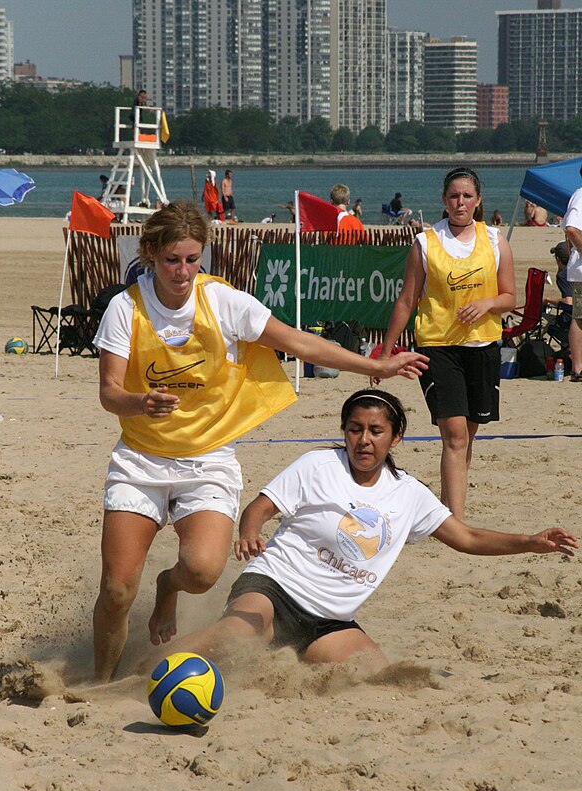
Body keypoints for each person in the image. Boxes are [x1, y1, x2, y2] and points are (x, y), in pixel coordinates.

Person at [91, 201, 429, 682]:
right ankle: (101, 683)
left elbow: (299, 343)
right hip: (141, 460)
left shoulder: (225, 302)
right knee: (118, 589)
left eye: (192, 259)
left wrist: (376, 365)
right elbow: (109, 393)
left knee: (203, 571)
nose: (183, 271)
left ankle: (168, 587)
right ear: (150, 254)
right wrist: (140, 403)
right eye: (172, 260)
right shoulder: (125, 308)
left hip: (207, 458)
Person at [170, 390, 576, 673]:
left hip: (330, 621)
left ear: (395, 437)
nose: (363, 440)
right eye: (354, 429)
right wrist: (250, 531)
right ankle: (153, 669)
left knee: (381, 678)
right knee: (238, 634)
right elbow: (259, 508)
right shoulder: (318, 465)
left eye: (375, 431)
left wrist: (530, 542)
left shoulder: (409, 494)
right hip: (274, 589)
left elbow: (466, 538)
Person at [376, 167, 516, 521]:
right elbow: (407, 300)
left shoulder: (496, 241)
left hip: (483, 346)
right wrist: (385, 352)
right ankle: (454, 520)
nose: (460, 202)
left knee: (466, 436)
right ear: (444, 200)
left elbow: (510, 297)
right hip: (438, 347)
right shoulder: (425, 243)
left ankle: (447, 504)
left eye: (467, 196)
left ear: (478, 200)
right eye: (454, 196)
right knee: (453, 434)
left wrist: (487, 303)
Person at [562, 171, 582, 381]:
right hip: (581, 270)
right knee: (580, 316)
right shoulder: (580, 196)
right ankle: (578, 367)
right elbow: (571, 229)